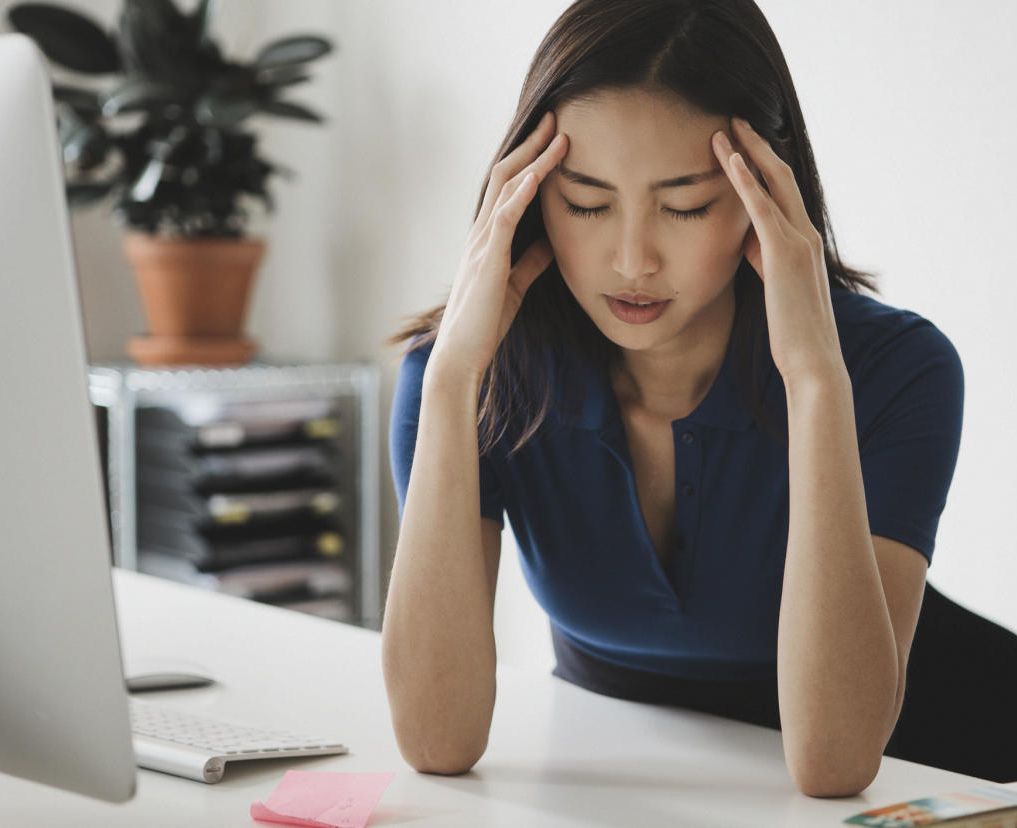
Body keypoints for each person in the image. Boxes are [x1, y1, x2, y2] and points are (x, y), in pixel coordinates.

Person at [382, 0, 964, 799]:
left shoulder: (898, 369)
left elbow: (835, 765)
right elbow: (436, 741)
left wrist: (815, 379)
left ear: (768, 191)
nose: (631, 261)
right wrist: (453, 381)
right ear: (522, 194)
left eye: (686, 205)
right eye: (586, 201)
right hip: (601, 795)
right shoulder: (465, 378)